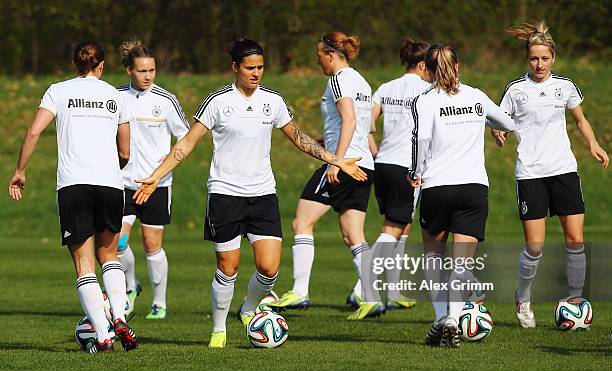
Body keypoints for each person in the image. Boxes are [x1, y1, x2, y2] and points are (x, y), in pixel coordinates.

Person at [132, 36, 367, 348]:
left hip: (263, 194)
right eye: (250, 67)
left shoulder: (273, 101)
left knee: (269, 269)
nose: (256, 73)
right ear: (235, 67)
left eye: (261, 67)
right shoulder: (218, 102)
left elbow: (298, 137)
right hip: (225, 195)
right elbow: (186, 144)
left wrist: (335, 159)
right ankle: (218, 328)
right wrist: (155, 177)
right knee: (227, 268)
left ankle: (248, 309)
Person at [8, 40, 139, 353]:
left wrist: (20, 171)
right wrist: (111, 168)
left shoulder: (58, 90)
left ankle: (104, 337)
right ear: (102, 65)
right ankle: (120, 316)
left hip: (74, 186)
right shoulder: (115, 95)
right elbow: (125, 151)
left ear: (74, 65)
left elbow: (34, 131)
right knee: (109, 256)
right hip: (110, 184)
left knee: (84, 266)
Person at [493, 21, 609, 328]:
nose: (539, 63)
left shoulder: (565, 86)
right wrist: (498, 133)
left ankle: (574, 301)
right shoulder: (516, 90)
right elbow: (498, 120)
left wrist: (594, 143)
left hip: (564, 170)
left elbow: (580, 120)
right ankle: (523, 297)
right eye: (534, 58)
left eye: (544, 58)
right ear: (526, 59)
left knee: (575, 239)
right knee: (535, 246)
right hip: (530, 174)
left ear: (553, 58)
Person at [410, 44, 515, 348]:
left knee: (432, 257)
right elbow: (508, 123)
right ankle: (455, 320)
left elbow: (422, 140)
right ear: (457, 67)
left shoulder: (425, 101)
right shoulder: (476, 96)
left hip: (437, 187)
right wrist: (490, 125)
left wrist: (414, 173)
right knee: (461, 264)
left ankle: (442, 317)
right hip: (473, 189)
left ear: (427, 71)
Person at [269, 32, 379, 321]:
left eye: (319, 55)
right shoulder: (362, 80)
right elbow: (361, 126)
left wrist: (335, 161)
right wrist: (324, 141)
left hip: (344, 164)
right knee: (352, 234)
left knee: (301, 222)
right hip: (363, 163)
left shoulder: (338, 79)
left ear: (330, 54)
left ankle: (300, 291)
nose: (318, 60)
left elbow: (350, 119)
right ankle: (372, 296)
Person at [116, 39, 190, 320]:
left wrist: (168, 161)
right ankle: (130, 284)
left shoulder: (166, 100)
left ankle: (159, 302)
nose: (147, 76)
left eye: (152, 70)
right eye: (141, 71)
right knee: (118, 243)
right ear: (128, 71)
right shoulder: (116, 97)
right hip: (122, 182)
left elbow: (185, 136)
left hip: (157, 184)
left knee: (151, 244)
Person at [366, 37, 431, 311]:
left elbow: (367, 124)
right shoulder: (428, 91)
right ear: (423, 64)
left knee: (401, 226)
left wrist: (376, 152)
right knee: (393, 229)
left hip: (383, 164)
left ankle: (393, 292)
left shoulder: (385, 87)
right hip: (408, 167)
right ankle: (363, 288)